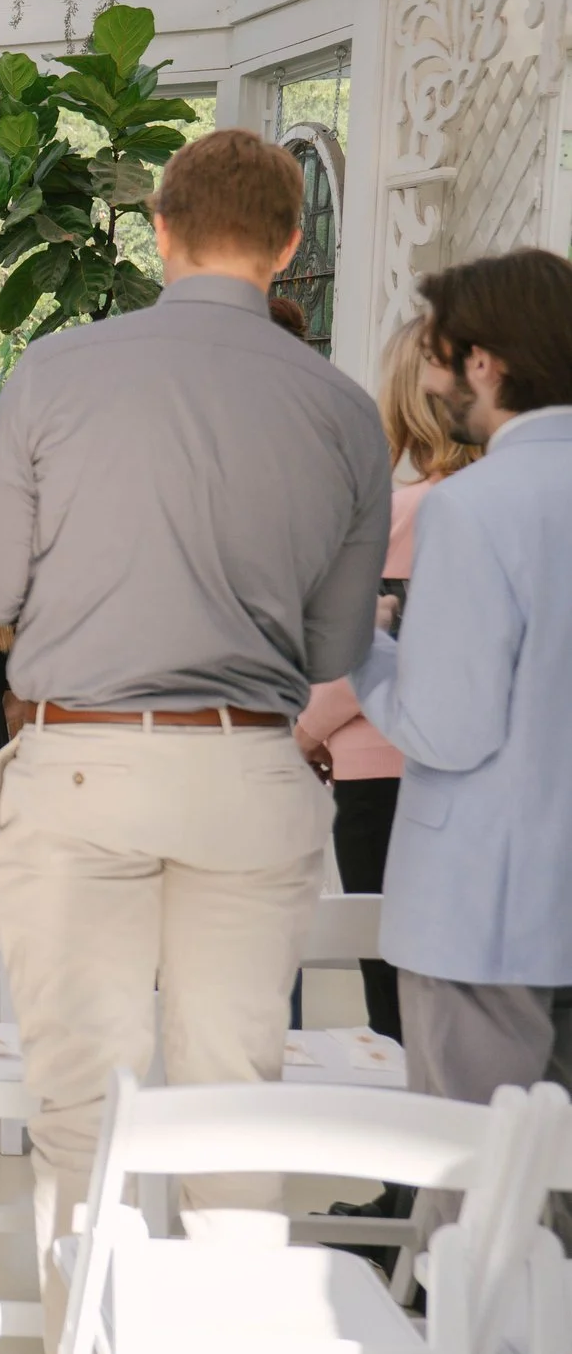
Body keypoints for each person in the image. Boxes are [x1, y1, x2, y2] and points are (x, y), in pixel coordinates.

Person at [0, 128, 388, 1323]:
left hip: (82, 758)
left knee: (82, 1097)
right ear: (291, 248)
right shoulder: (347, 413)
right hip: (251, 770)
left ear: (158, 231)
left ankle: (82, 1329)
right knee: (233, 1094)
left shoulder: (55, 371)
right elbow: (338, 652)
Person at [352, 249, 572, 1241]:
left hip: (487, 898)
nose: (433, 383)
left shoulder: (478, 507)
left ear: (483, 363)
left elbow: (445, 724)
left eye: (439, 359)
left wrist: (362, 643)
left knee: (477, 1204)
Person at [296, 316, 479, 1046]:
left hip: (381, 772)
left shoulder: (404, 512)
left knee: (396, 1007)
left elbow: (363, 645)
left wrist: (304, 730)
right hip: (473, 780)